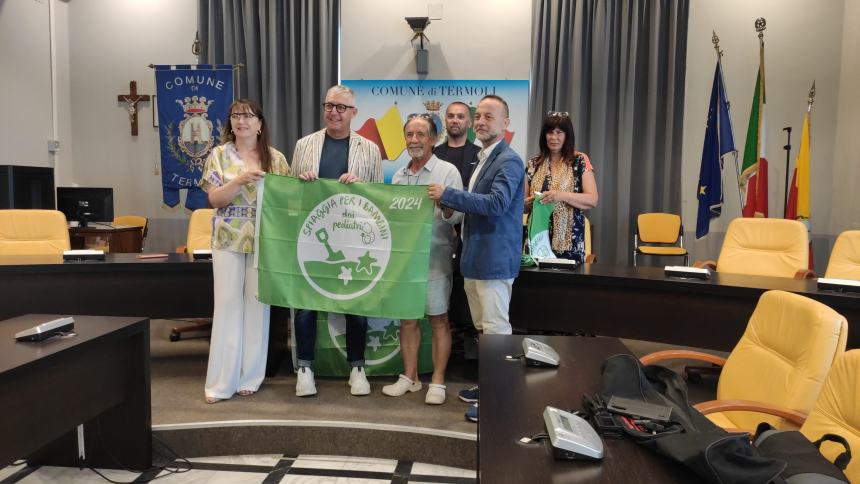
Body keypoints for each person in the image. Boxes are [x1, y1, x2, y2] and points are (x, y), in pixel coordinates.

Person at [428, 95, 525, 422]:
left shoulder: (509, 161)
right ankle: (489, 386)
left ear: (506, 123)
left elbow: (496, 204)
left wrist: (449, 195)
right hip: (476, 259)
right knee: (486, 330)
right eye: (478, 116)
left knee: (496, 333)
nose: (481, 121)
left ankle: (499, 398)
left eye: (489, 116)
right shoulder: (485, 157)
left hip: (494, 262)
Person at [291, 85, 383, 397]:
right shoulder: (304, 145)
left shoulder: (369, 150)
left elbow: (378, 200)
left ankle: (357, 367)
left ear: (354, 113)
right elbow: (291, 195)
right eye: (329, 105)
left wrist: (362, 187)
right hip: (311, 238)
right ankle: (305, 367)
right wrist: (301, 185)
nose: (334, 112)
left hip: (353, 238)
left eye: (342, 107)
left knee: (355, 303)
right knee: (305, 305)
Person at [201, 99, 290, 404]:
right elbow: (214, 199)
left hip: (265, 241)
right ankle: (221, 383)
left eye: (248, 116)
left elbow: (287, 199)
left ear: (260, 124)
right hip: (228, 239)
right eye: (236, 115)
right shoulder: (219, 155)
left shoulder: (275, 159)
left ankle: (250, 376)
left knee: (257, 307)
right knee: (227, 307)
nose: (241, 121)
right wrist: (238, 181)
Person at [384, 114, 463, 405]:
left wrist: (443, 203)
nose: (414, 140)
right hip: (406, 260)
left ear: (433, 139)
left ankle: (438, 381)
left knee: (439, 320)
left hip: (435, 258)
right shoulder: (399, 176)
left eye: (421, 135)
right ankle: (410, 377)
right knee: (407, 320)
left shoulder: (447, 171)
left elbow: (459, 216)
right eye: (410, 135)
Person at [524, 112, 598, 264]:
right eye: (550, 132)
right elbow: (521, 204)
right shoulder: (533, 164)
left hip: (569, 244)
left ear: (567, 136)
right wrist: (527, 203)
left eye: (559, 133)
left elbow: (592, 200)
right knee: (533, 286)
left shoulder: (579, 160)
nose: (553, 138)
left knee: (566, 287)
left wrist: (562, 195)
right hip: (536, 241)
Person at [433, 101, 480, 186]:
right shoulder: (433, 154)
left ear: (469, 123)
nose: (455, 120)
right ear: (445, 121)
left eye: (460, 117)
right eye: (450, 116)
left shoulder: (480, 155)